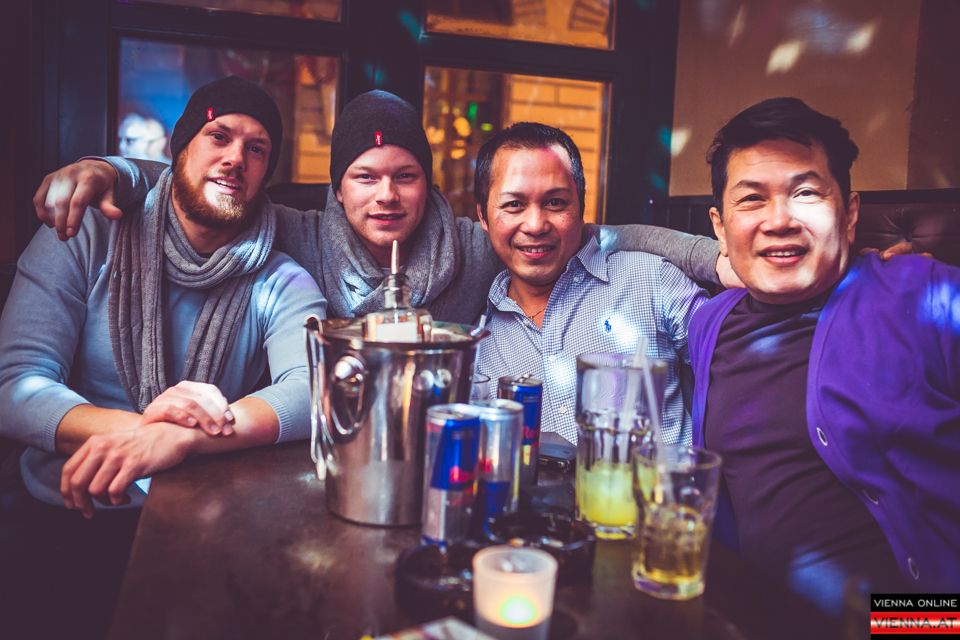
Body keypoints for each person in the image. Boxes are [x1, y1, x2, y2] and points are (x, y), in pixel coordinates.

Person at [0, 76, 325, 637]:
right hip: (65, 507)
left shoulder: (280, 277)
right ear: (179, 151)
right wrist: (148, 432)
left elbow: (312, 389)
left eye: (256, 149)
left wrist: (186, 441)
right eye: (218, 136)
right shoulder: (87, 234)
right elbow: (15, 384)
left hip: (206, 522)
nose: (235, 158)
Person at [33, 90, 731, 325]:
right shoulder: (297, 234)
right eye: (365, 177)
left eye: (406, 176)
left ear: (429, 185)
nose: (387, 195)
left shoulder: (477, 243)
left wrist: (716, 258)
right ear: (338, 188)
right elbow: (212, 187)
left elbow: (607, 236)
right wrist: (114, 170)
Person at [688, 97, 960, 603]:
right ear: (720, 228)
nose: (779, 220)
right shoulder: (709, 323)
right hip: (745, 618)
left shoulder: (925, 295)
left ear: (849, 213)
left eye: (806, 192)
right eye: (752, 199)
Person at [474, 123, 708, 445]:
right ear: (483, 217)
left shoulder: (652, 282)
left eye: (555, 203)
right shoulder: (479, 337)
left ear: (582, 207)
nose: (535, 225)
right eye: (514, 204)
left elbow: (740, 367)